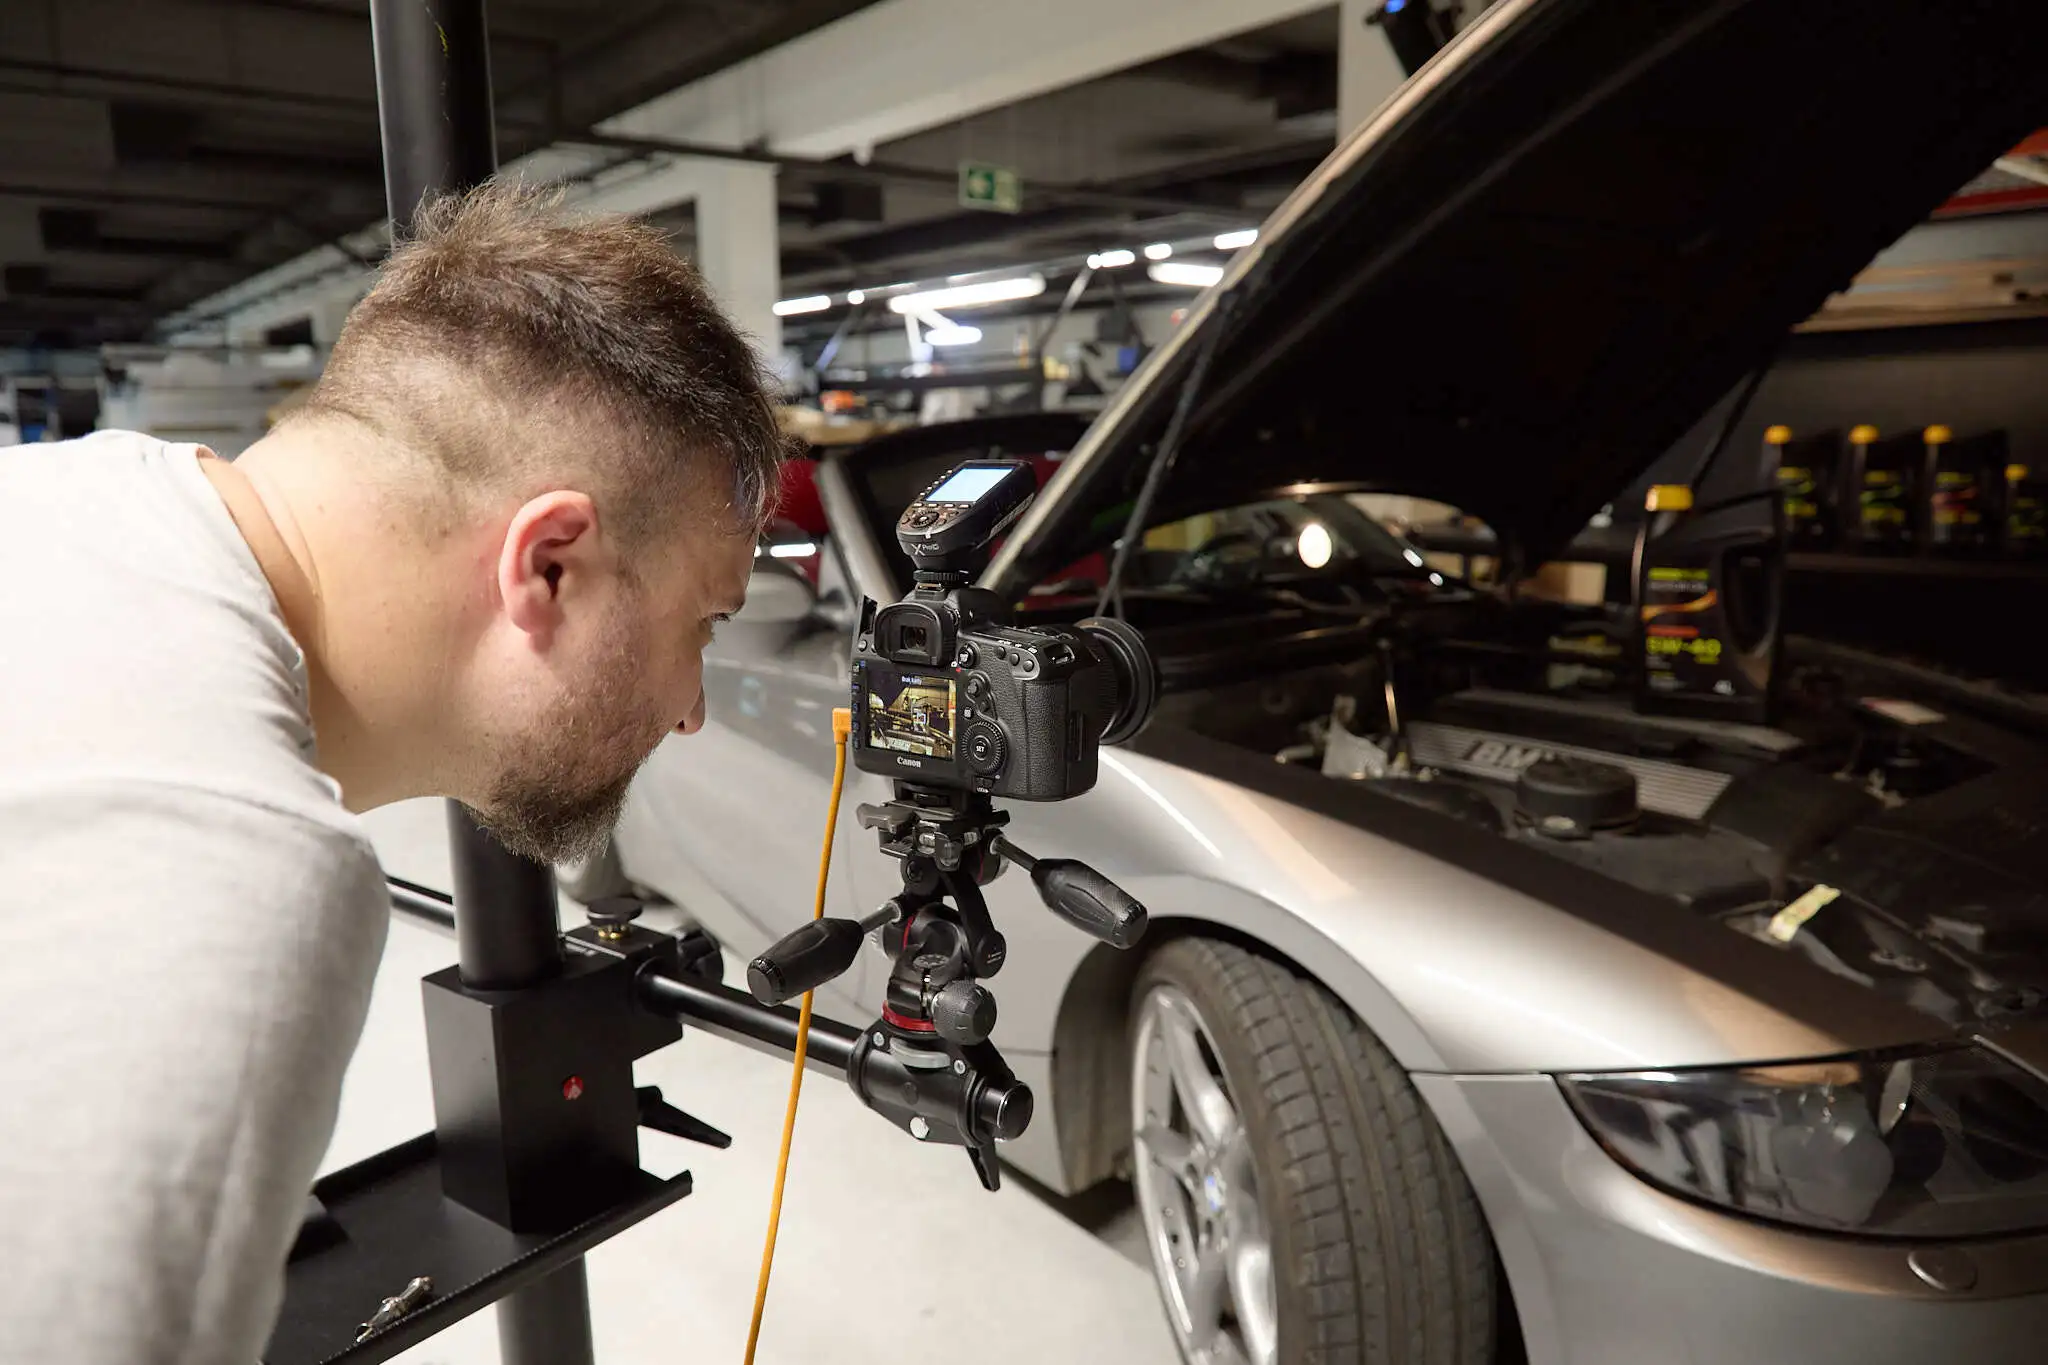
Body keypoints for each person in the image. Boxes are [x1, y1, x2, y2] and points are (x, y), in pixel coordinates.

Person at [0, 181, 788, 1364]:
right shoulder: (229, 875)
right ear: (550, 567)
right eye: (703, 623)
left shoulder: (77, 491)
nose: (689, 709)